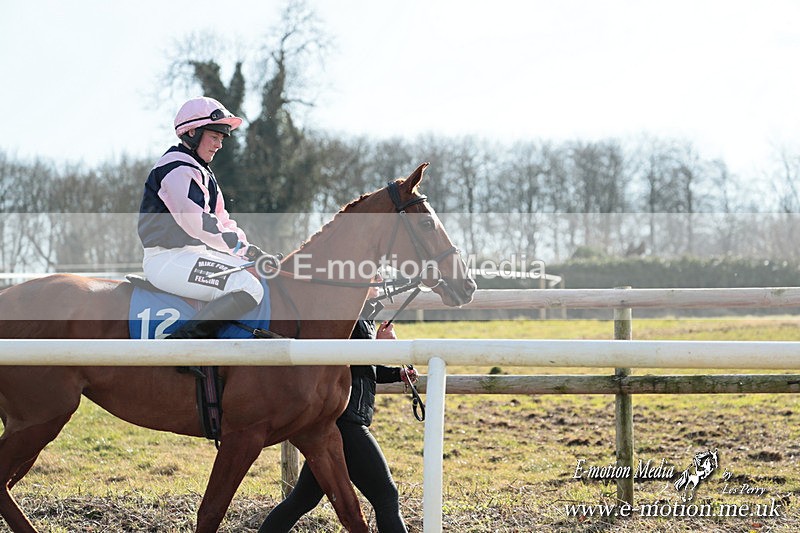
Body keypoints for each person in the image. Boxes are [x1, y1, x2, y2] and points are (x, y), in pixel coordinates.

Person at [259, 279, 418, 533]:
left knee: (303, 500)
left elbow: (361, 368)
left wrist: (397, 374)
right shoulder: (347, 317)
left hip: (339, 419)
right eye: (375, 277)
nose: (381, 281)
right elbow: (354, 360)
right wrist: (386, 346)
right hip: (346, 423)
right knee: (387, 497)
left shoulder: (360, 317)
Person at [138, 96, 268, 340]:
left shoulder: (201, 171)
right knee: (248, 287)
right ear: (192, 133)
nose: (219, 145)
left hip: (193, 255)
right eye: (214, 137)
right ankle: (181, 346)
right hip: (168, 259)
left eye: (221, 139)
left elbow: (223, 221)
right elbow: (199, 224)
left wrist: (250, 251)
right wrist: (243, 250)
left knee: (256, 276)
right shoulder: (177, 168)